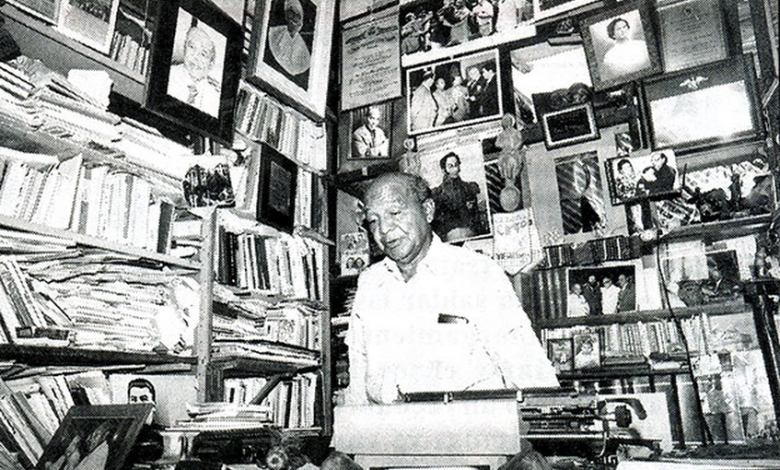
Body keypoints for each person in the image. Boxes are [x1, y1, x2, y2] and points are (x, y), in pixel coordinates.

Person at [330, 172, 557, 469]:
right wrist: (342, 449)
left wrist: (550, 436)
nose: (384, 229)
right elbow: (358, 384)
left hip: (470, 456)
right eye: (373, 221)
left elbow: (529, 370)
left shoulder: (476, 273)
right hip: (384, 455)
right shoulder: (370, 284)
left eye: (395, 213)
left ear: (427, 210)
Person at [167, 25, 221, 117]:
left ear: (210, 64)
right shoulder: (169, 75)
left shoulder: (215, 96)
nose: (195, 57)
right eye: (192, 47)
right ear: (184, 48)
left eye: (203, 54)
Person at [431, 152, 483, 241]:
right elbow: (436, 225)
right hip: (449, 238)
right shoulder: (437, 194)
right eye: (450, 166)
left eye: (456, 165)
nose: (455, 169)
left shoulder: (469, 188)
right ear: (444, 170)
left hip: (470, 235)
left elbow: (476, 218)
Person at [266, 0, 311, 80]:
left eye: (297, 16)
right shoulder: (276, 34)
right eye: (291, 15)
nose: (293, 19)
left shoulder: (301, 44)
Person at [600, 17, 650, 81]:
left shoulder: (642, 45)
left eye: (624, 27)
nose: (622, 30)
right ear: (613, 34)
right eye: (618, 29)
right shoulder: (609, 56)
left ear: (628, 28)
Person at [127, 378, 164, 463]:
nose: (138, 404)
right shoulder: (122, 436)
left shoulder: (163, 436)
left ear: (153, 406)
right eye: (133, 399)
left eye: (143, 399)